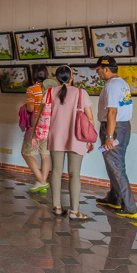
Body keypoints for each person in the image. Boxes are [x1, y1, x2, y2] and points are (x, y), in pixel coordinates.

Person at [43, 65, 95, 220]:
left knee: (56, 172)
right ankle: (74, 211)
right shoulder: (81, 93)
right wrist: (90, 139)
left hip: (56, 136)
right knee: (74, 174)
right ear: (71, 77)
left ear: (56, 78)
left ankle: (57, 207)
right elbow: (89, 117)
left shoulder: (50, 92)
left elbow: (44, 115)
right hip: (76, 137)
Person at [91, 57, 137, 219]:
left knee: (117, 167)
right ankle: (114, 198)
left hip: (114, 128)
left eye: (99, 69)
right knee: (113, 164)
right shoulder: (121, 83)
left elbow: (112, 112)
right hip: (123, 126)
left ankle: (130, 207)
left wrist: (109, 136)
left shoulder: (112, 86)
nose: (98, 73)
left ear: (106, 69)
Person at [20, 65, 52, 192]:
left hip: (36, 125)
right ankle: (41, 184)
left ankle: (42, 181)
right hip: (50, 125)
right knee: (45, 155)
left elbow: (30, 109)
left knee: (26, 153)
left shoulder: (31, 89)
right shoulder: (52, 89)